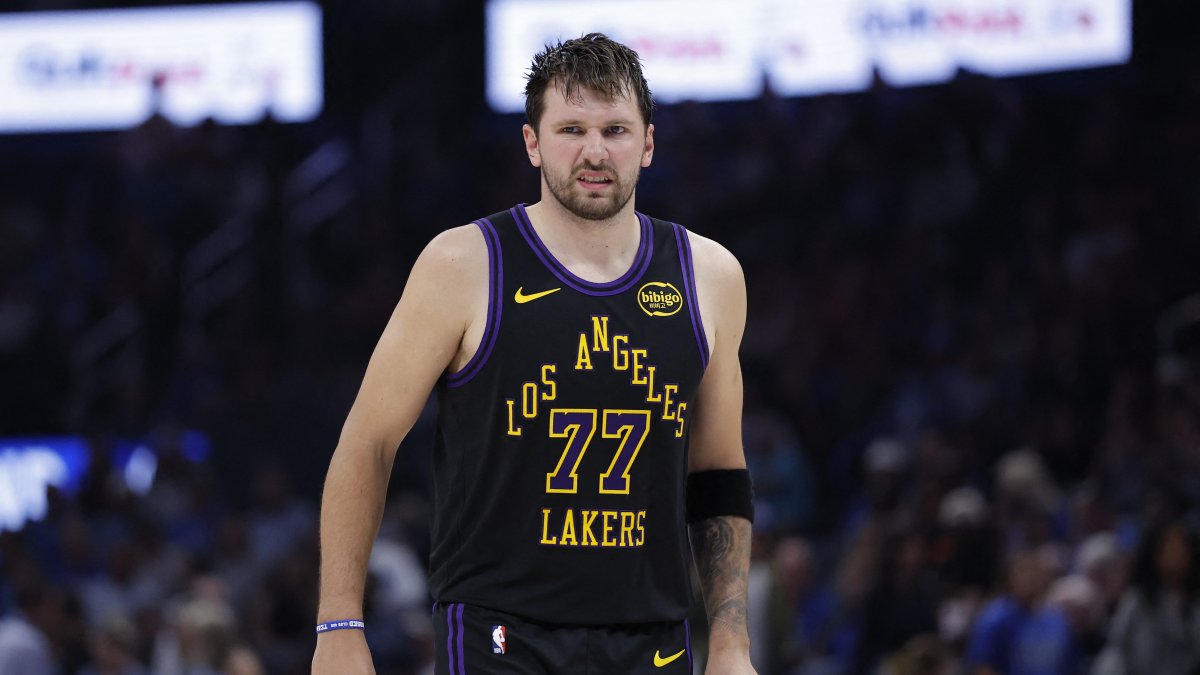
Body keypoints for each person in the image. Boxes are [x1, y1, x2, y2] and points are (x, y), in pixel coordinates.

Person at [311, 33, 756, 674]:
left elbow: (718, 475)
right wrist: (339, 625)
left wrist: (733, 643)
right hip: (502, 636)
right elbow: (368, 444)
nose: (595, 151)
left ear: (649, 144)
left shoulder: (710, 276)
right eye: (571, 128)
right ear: (532, 142)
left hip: (654, 640)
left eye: (617, 129)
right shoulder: (463, 264)